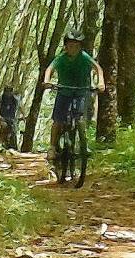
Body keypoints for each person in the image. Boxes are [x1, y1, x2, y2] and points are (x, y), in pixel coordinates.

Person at [40, 33, 105, 170]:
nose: (73, 48)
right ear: (66, 47)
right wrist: (47, 81)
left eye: (77, 46)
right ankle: (52, 147)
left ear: (81, 47)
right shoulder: (61, 58)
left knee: (80, 118)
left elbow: (98, 68)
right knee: (58, 120)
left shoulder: (84, 57)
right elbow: (50, 68)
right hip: (64, 92)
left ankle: (82, 144)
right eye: (70, 46)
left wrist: (101, 83)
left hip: (81, 91)